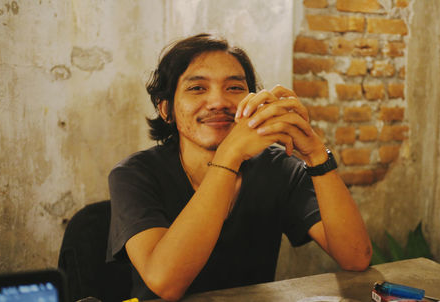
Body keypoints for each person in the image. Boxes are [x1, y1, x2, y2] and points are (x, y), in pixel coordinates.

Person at [107, 33, 372, 301]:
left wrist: (316, 154)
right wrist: (230, 154)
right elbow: (165, 284)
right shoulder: (133, 175)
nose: (219, 102)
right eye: (197, 88)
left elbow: (356, 258)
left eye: (234, 88)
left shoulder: (278, 167)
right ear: (166, 109)